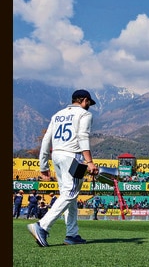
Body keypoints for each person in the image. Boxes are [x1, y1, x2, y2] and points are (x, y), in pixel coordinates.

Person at [28, 89, 100, 247]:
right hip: (73, 156)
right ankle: (42, 226)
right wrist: (89, 161)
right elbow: (82, 137)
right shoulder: (84, 114)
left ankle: (72, 234)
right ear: (83, 100)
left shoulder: (57, 115)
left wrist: (43, 164)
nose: (89, 106)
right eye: (88, 102)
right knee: (70, 192)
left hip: (57, 155)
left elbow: (47, 139)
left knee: (69, 195)